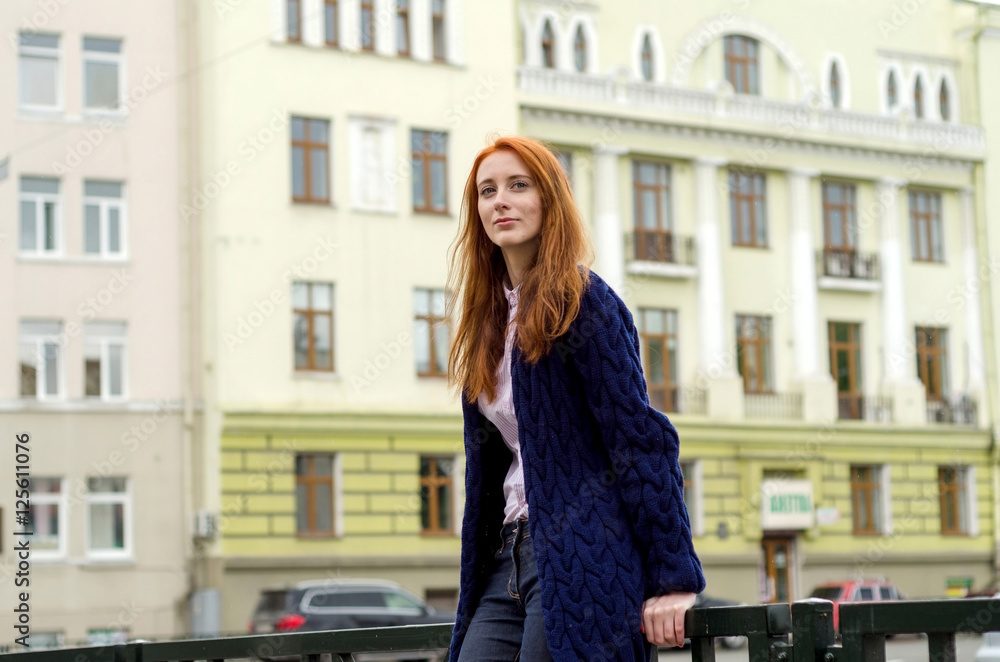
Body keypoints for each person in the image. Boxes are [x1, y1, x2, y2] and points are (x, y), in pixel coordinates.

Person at [445, 135, 705, 662]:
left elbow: (638, 439)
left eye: (519, 186)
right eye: (487, 190)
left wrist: (674, 576)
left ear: (549, 200)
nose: (500, 201)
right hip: (506, 558)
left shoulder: (584, 303)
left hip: (579, 553)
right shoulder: (488, 322)